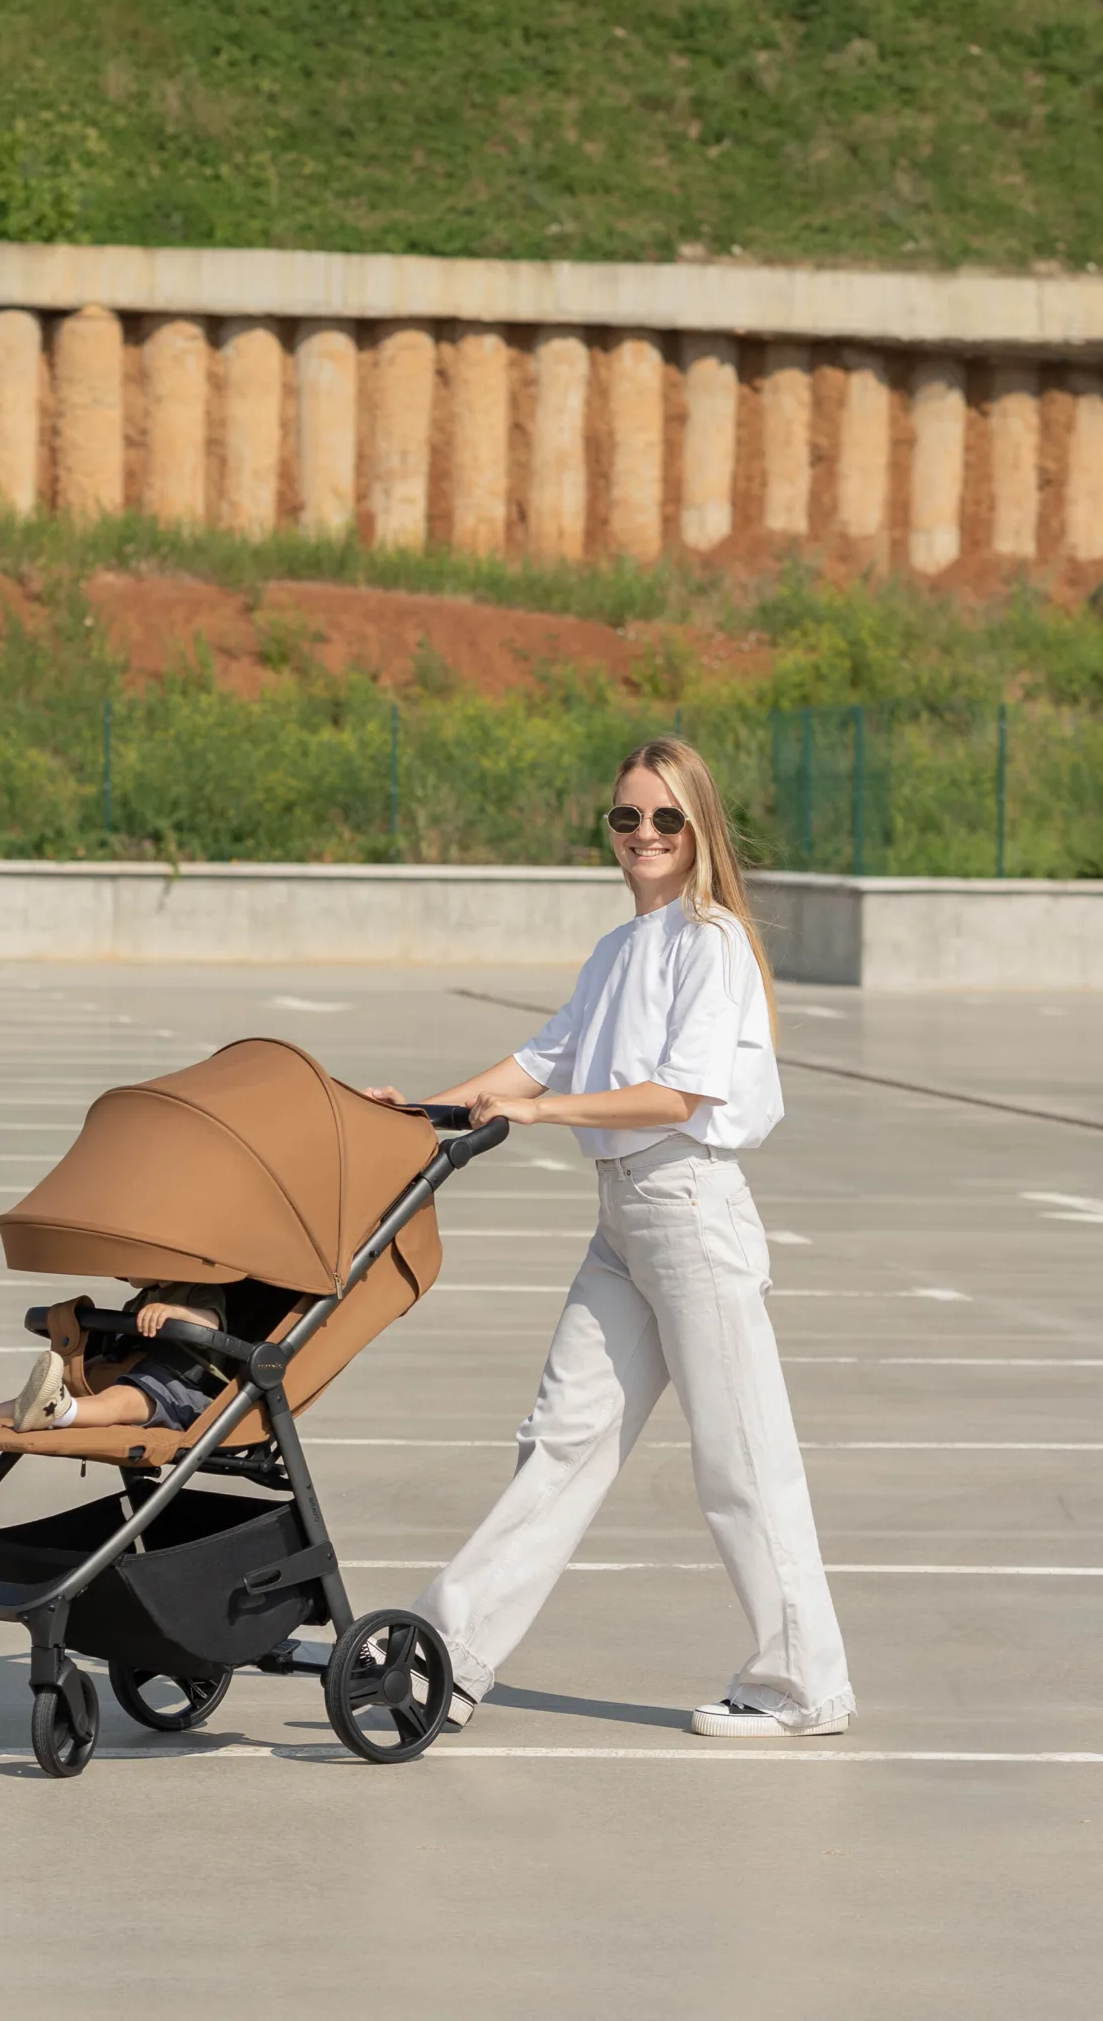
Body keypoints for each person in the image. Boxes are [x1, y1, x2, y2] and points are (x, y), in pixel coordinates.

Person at [367, 736, 855, 1741]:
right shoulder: (616, 951)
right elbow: (529, 1064)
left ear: (698, 828)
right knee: (559, 1440)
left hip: (690, 1210)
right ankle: (448, 1652)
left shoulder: (710, 941)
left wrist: (544, 1113)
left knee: (739, 1461)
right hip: (624, 1222)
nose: (643, 833)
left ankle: (803, 1686)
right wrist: (407, 1114)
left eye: (665, 817)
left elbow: (676, 1095)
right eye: (626, 816)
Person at [0, 1281, 228, 1459]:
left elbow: (212, 1323)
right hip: (135, 1372)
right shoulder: (147, 1295)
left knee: (123, 1399)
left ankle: (60, 1411)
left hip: (184, 1392)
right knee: (31, 1399)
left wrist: (178, 1314)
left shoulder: (201, 1288)